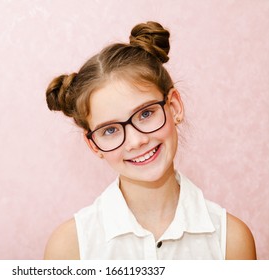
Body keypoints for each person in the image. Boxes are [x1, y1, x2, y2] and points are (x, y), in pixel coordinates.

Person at [43, 21, 256, 260]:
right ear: (93, 144)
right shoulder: (70, 247)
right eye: (110, 130)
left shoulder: (231, 241)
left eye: (145, 114)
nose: (135, 141)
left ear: (174, 107)